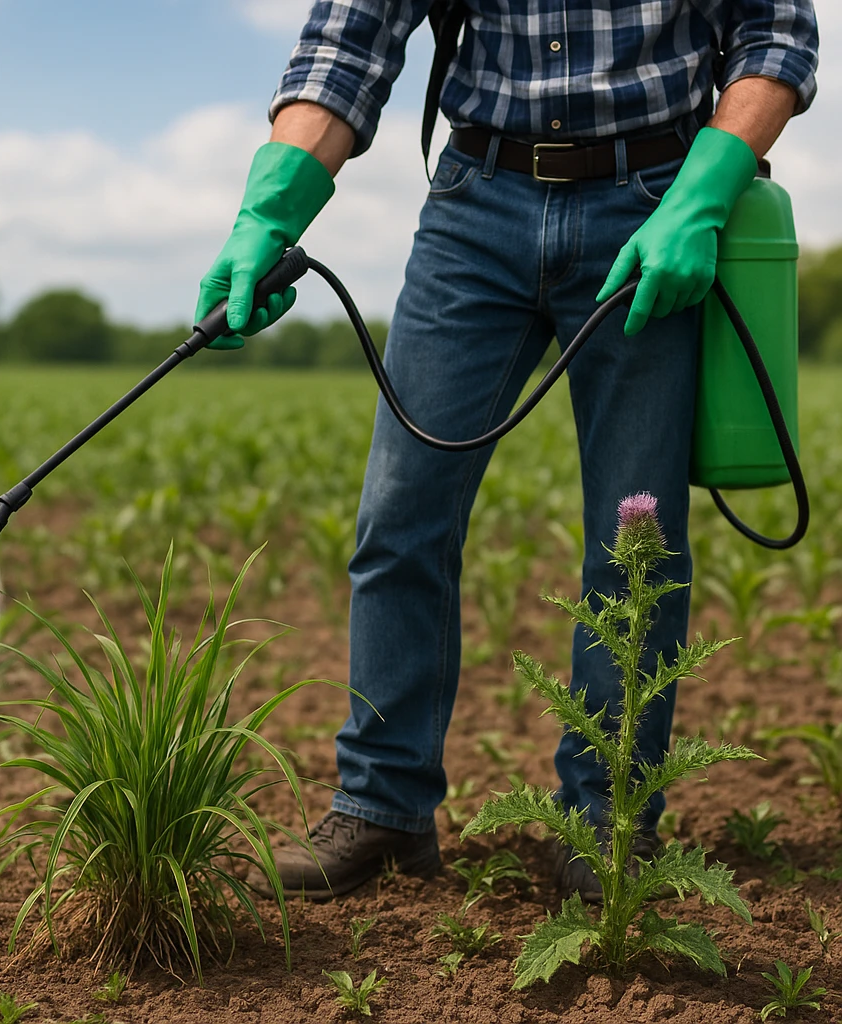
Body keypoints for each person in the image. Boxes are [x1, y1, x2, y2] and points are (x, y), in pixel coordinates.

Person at [195, 0, 818, 902]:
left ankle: (608, 822)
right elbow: (348, 42)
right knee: (400, 517)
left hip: (654, 198)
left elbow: (776, 34)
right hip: (475, 208)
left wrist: (704, 195)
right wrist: (268, 212)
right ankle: (383, 806)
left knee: (635, 539)